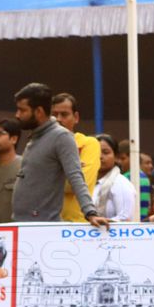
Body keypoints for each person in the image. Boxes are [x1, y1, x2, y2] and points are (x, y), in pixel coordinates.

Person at [11, 83, 107, 226]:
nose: (17, 115)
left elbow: (75, 177)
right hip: (23, 224)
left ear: (39, 111)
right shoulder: (36, 137)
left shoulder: (61, 136)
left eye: (22, 110)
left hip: (44, 227)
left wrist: (90, 213)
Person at [51, 93, 100, 224]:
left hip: (78, 224)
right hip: (48, 223)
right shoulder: (41, 146)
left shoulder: (88, 144)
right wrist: (68, 171)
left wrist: (50, 173)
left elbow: (76, 185)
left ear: (76, 117)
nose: (58, 119)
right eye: (54, 115)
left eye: (64, 114)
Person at [94, 134, 136, 222]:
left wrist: (98, 222)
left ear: (116, 157)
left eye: (105, 152)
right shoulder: (86, 182)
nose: (100, 156)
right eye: (95, 152)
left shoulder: (121, 183)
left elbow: (125, 218)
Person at [116, 138, 150, 221]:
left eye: (123, 158)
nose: (119, 162)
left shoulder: (126, 178)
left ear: (133, 157)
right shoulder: (144, 176)